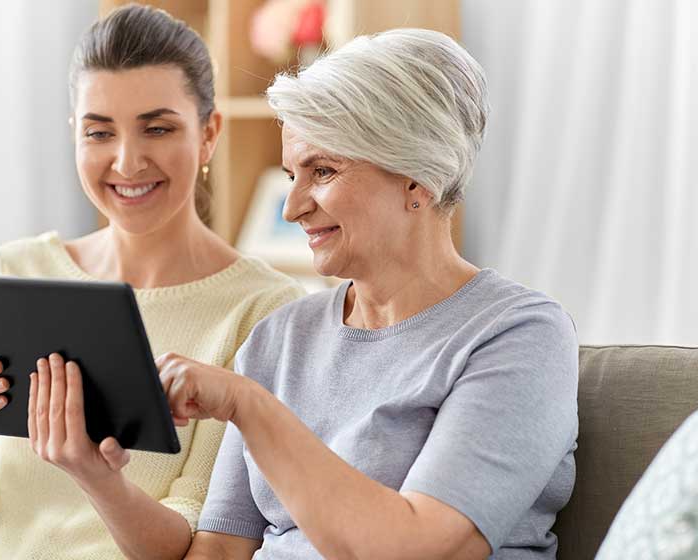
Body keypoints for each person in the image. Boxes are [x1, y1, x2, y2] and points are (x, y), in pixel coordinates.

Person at [157, 29, 580, 559]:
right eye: (292, 174)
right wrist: (93, 472)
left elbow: (421, 548)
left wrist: (250, 406)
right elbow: (219, 551)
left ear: (417, 179)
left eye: (323, 171)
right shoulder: (280, 338)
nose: (291, 209)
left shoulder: (518, 335)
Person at [0, 5, 304, 559]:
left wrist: (99, 479)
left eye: (158, 128)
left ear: (209, 133)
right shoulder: (18, 271)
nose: (127, 161)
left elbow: (193, 548)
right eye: (100, 132)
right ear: (76, 134)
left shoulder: (263, 311)